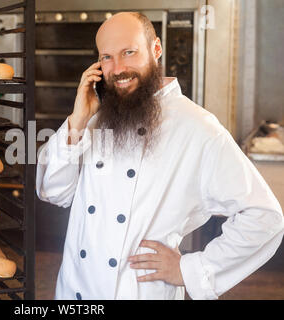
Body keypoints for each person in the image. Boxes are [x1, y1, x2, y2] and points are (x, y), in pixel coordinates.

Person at [35, 12, 284, 300]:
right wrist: (77, 121)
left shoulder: (197, 127)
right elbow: (52, 191)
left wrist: (190, 269)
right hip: (75, 291)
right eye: (107, 57)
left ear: (156, 49)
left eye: (129, 52)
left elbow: (265, 217)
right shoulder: (97, 119)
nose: (118, 68)